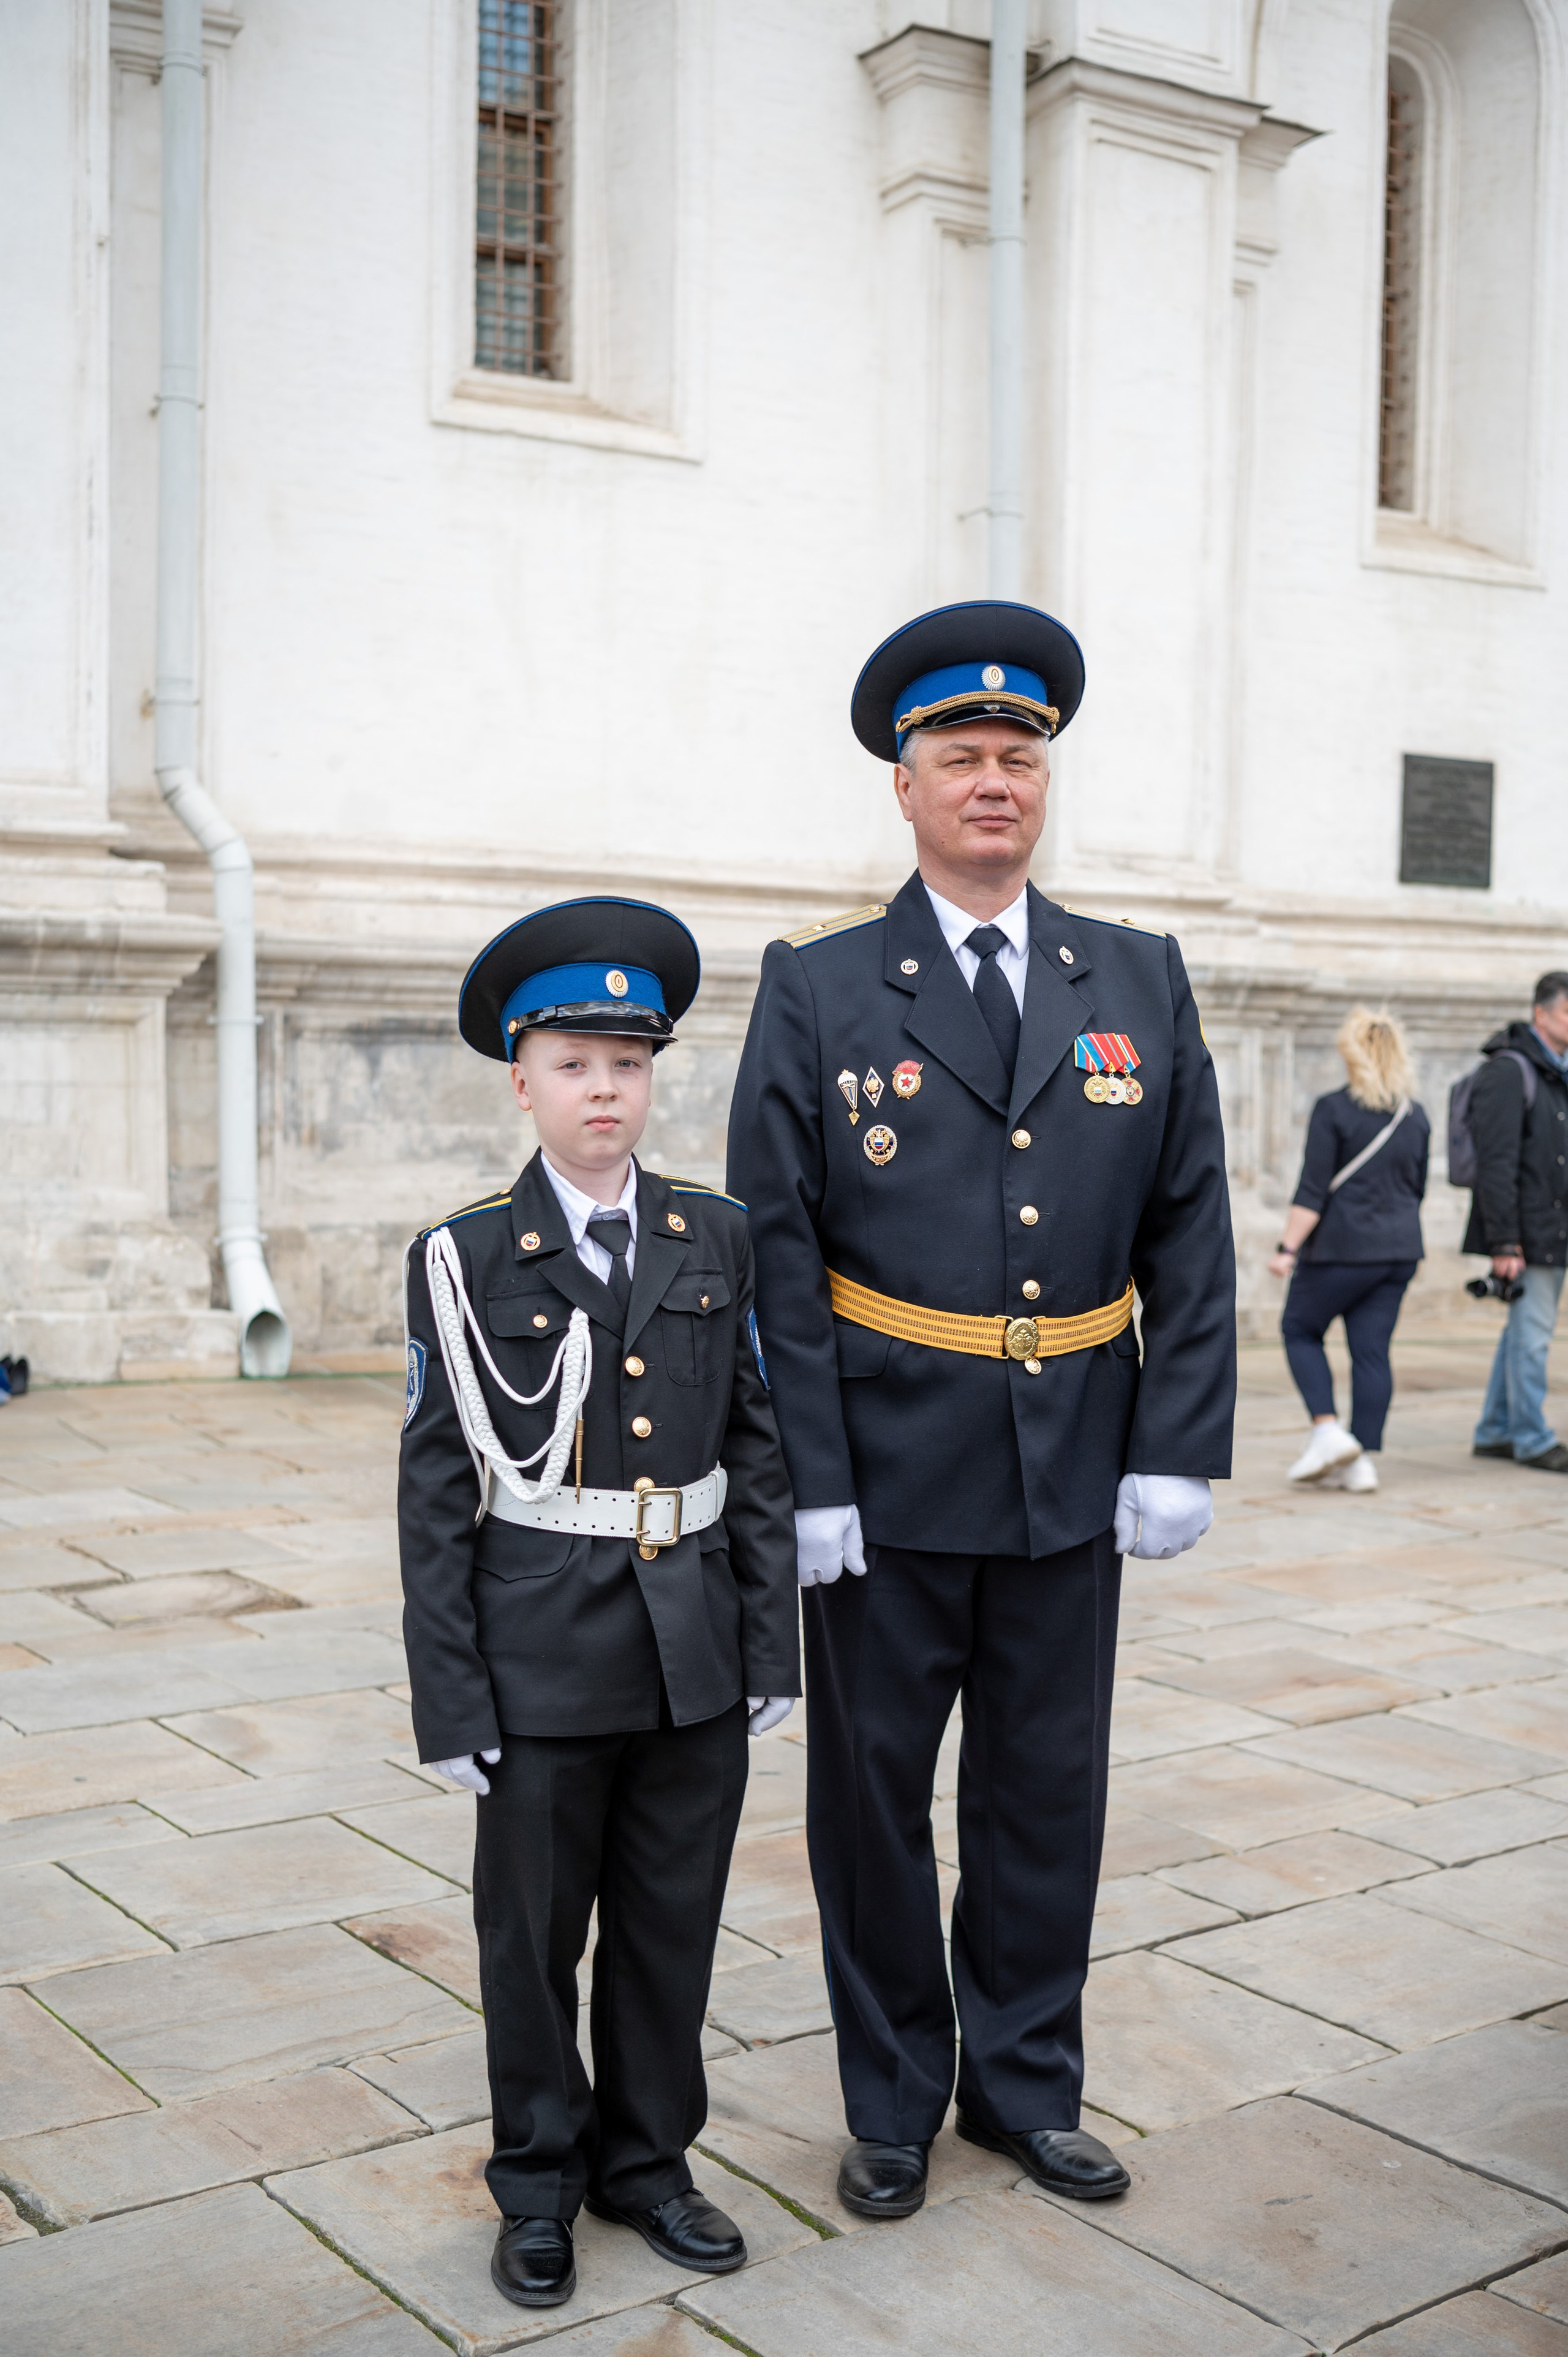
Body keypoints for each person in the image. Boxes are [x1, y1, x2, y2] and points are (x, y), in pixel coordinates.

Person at [727, 601, 1235, 2223]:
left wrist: (1177, 1440)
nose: (995, 779)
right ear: (907, 783)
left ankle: (1026, 2088)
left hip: (1072, 1465)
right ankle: (892, 2100)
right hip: (882, 1472)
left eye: (1021, 755)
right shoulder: (818, 989)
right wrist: (804, 1476)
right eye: (962, 755)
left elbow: (1191, 1223)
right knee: (874, 1806)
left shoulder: (1138, 979)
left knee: (1046, 1796)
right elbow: (773, 1247)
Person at [398, 896, 799, 2310]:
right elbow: (436, 1489)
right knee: (530, 1938)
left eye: (628, 1063)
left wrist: (768, 1640)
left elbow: (753, 1442)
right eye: (574, 1061)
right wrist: (448, 1694)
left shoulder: (716, 1233)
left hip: (690, 1644)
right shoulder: (462, 1256)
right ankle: (537, 2179)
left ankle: (648, 2163)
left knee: (669, 1922)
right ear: (522, 1074)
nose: (604, 1090)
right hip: (535, 1654)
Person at [1267, 1009, 1428, 1492]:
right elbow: (1417, 1188)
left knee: (1299, 1328)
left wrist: (1286, 1248)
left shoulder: (1333, 1109)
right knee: (1372, 1352)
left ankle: (1327, 1430)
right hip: (1399, 1251)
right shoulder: (1415, 1114)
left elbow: (1312, 1190)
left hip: (1341, 1249)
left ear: (1351, 1054)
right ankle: (1361, 1461)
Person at [1466, 971, 1568, 1471]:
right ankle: (1532, 1437)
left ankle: (1495, 1430)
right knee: (1533, 1337)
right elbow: (1496, 1162)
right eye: (1567, 1011)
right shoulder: (1511, 1071)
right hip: (1528, 1234)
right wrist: (1505, 1241)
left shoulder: (1558, 1072)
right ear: (1540, 1014)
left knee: (1522, 1334)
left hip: (1553, 1227)